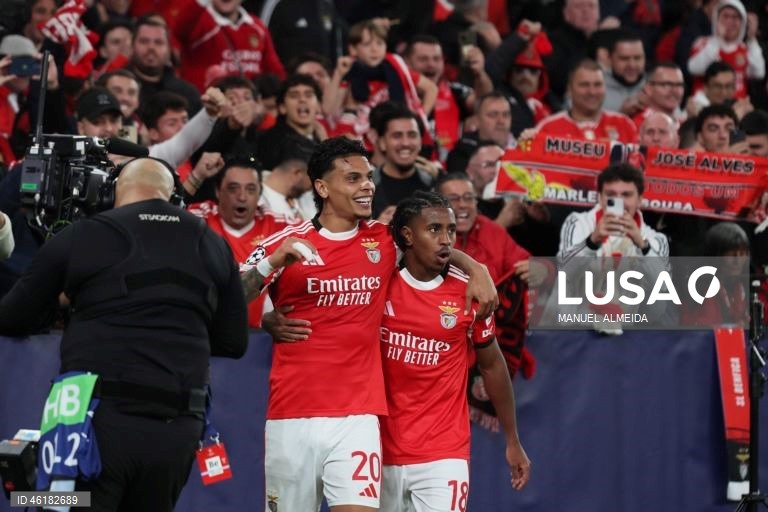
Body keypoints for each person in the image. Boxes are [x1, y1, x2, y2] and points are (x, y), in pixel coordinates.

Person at [239, 136, 497, 512]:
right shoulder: (286, 243)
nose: (366, 186)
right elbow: (230, 296)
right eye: (353, 178)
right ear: (322, 187)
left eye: (368, 177)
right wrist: (271, 266)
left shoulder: (384, 240)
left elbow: (431, 245)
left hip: (358, 417)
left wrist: (476, 268)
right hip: (292, 415)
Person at [0, 157, 248, 511]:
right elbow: (233, 342)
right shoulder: (214, 243)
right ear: (173, 195)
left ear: (113, 190)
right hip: (178, 428)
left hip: (95, 425)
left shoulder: (84, 233)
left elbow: (11, 317)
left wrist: (67, 302)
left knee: (52, 500)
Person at [380, 190, 531, 511]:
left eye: (450, 230)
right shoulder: (379, 283)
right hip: (379, 449)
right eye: (434, 230)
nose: (446, 239)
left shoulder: (469, 292)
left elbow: (492, 366)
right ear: (407, 235)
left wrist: (512, 440)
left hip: (443, 452)